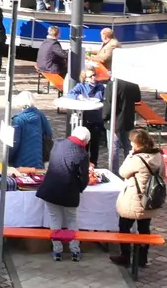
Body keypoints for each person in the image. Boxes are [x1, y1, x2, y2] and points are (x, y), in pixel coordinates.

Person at [36, 126, 93, 261]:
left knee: (54, 219)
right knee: (72, 220)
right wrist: (79, 187)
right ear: (84, 141)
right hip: (69, 192)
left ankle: (57, 251)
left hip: (50, 189)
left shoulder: (58, 143)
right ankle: (75, 250)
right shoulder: (82, 154)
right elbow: (84, 178)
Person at [111, 129, 164, 269]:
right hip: (149, 200)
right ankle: (142, 258)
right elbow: (162, 174)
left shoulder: (137, 159)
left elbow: (123, 172)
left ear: (136, 143)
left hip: (134, 200)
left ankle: (125, 256)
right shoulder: (158, 155)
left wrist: (130, 154)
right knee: (144, 228)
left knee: (124, 227)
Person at [67, 68, 109, 163]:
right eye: (91, 76)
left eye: (94, 75)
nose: (93, 77)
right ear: (85, 78)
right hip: (84, 118)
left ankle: (94, 163)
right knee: (84, 142)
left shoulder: (100, 86)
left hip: (96, 117)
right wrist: (79, 96)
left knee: (95, 143)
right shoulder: (81, 86)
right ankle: (83, 163)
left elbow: (103, 98)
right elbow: (70, 94)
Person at [10, 93, 55, 167]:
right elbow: (49, 133)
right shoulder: (40, 115)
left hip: (20, 162)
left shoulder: (18, 119)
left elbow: (15, 142)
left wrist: (8, 158)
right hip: (38, 159)